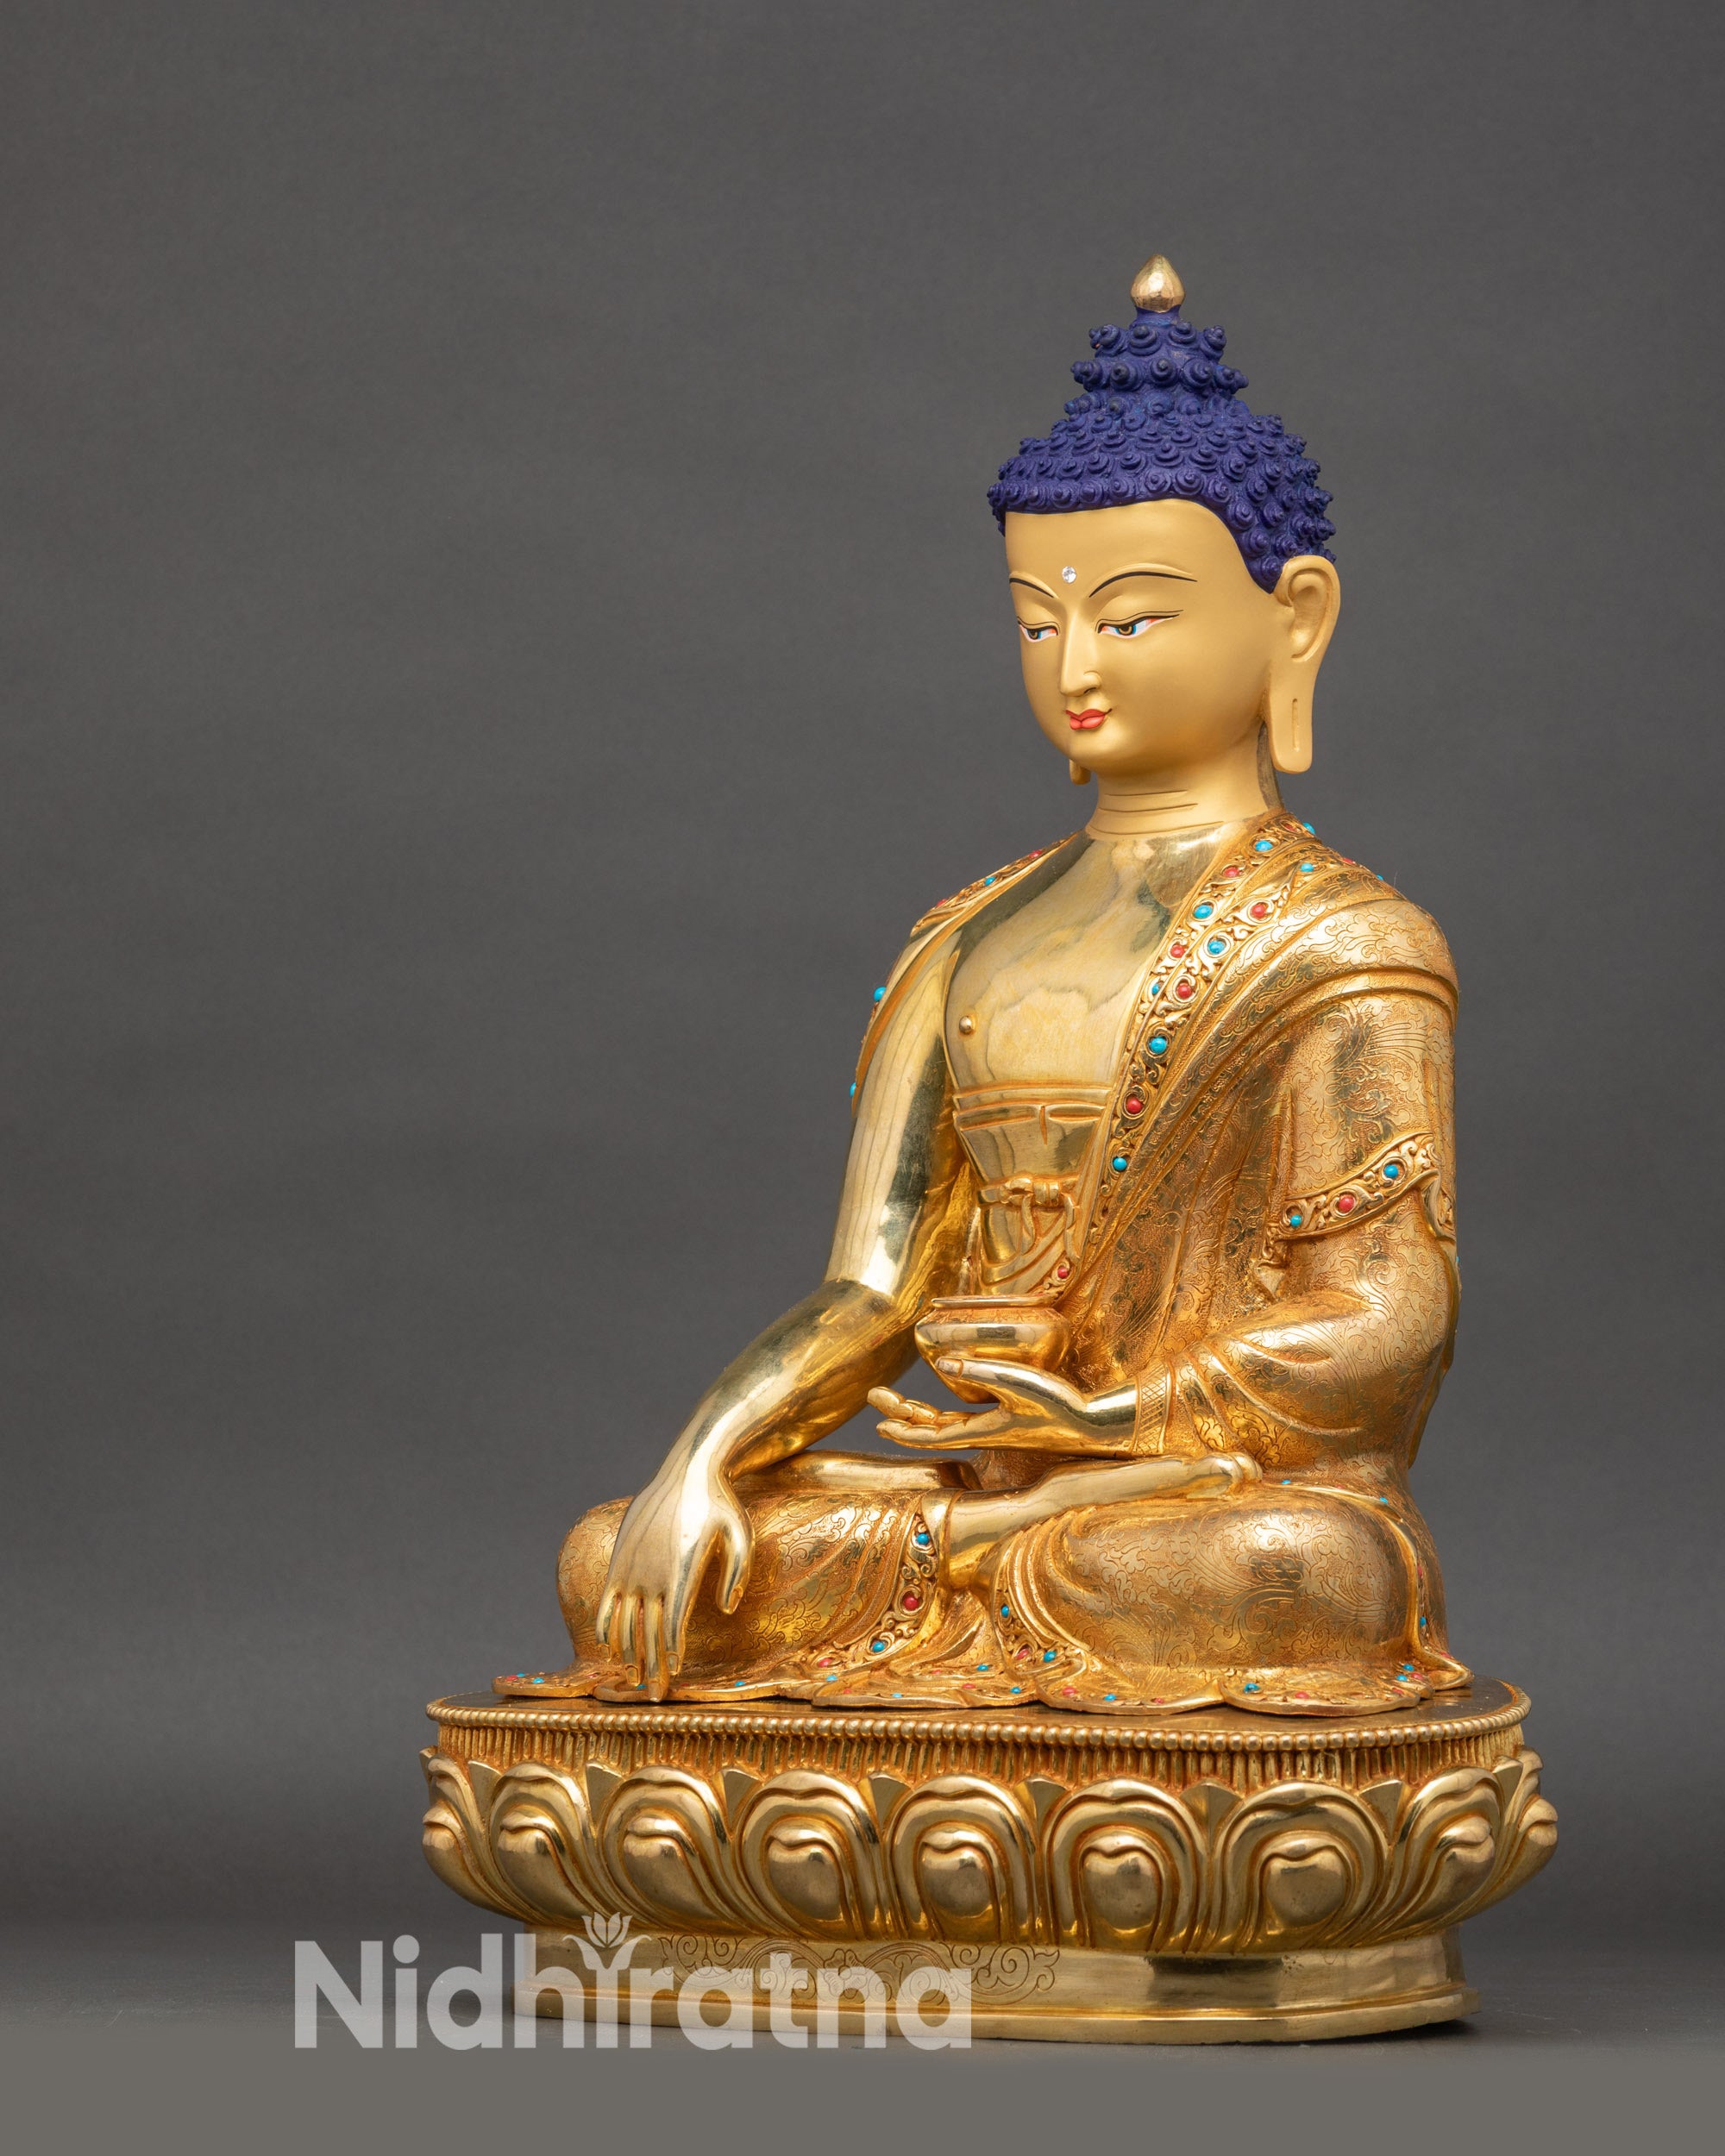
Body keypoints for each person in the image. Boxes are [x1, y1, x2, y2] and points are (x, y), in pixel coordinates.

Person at [498, 257, 1468, 1719]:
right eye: (1036, 617)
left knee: (1302, 1574)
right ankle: (967, 1563)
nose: (1073, 663)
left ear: (1297, 619)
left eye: (1133, 617)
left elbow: (1389, 1313)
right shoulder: (969, 935)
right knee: (618, 1557)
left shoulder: (1341, 942)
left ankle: (998, 1581)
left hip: (1186, 1495)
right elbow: (869, 1289)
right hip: (974, 1487)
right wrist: (696, 1461)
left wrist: (1111, 1411)